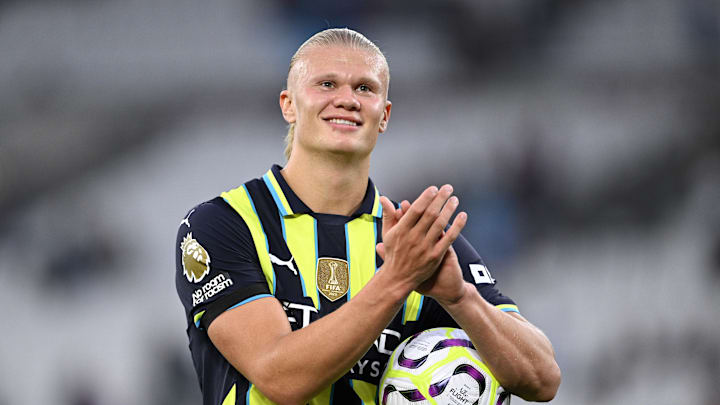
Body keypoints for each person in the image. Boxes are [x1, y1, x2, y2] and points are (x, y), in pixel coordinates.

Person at [175, 28, 561, 405]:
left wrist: (461, 298)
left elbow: (543, 379)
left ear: (385, 114)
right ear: (288, 104)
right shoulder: (222, 225)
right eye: (326, 84)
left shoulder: (417, 241)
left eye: (365, 88)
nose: (347, 99)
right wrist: (396, 279)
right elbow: (281, 379)